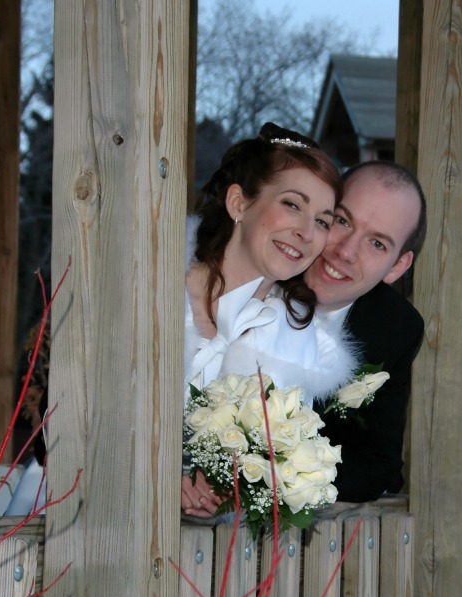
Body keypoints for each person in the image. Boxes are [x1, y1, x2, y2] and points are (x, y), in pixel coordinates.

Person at [182, 123, 358, 516]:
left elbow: (279, 476)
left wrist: (227, 488)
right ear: (239, 204)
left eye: (323, 221)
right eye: (292, 205)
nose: (305, 232)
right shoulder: (154, 291)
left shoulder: (298, 341)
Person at [305, 161, 427, 503]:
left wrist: (280, 476)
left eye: (377, 244)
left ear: (398, 266)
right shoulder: (255, 278)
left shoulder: (394, 327)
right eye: (342, 221)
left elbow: (378, 464)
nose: (345, 251)